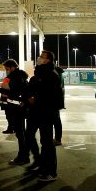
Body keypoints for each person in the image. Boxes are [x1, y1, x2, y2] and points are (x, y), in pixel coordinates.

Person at [27, 49, 62, 182]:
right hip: (36, 111)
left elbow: (50, 95)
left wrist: (35, 99)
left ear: (48, 60)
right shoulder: (39, 73)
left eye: (42, 56)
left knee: (47, 142)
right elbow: (32, 88)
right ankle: (41, 164)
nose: (39, 58)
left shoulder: (52, 74)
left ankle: (51, 172)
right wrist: (29, 96)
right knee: (30, 136)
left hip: (46, 112)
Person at [0, 59, 29, 165]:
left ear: (12, 67)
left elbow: (8, 89)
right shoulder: (21, 76)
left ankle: (23, 157)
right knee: (21, 133)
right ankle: (24, 156)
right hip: (19, 108)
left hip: (17, 109)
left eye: (7, 69)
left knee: (20, 134)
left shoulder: (15, 77)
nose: (6, 71)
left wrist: (4, 88)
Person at [53, 65, 66, 146]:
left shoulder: (55, 74)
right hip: (57, 101)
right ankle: (58, 139)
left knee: (56, 121)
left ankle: (57, 139)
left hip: (53, 101)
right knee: (57, 120)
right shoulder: (59, 73)